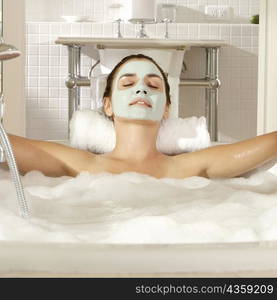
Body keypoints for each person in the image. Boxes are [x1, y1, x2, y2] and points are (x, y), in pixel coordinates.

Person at [1, 54, 277, 179]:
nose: (142, 87)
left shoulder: (186, 167)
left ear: (166, 108)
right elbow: (6, 146)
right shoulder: (82, 164)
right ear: (107, 105)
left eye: (153, 85)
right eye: (127, 83)